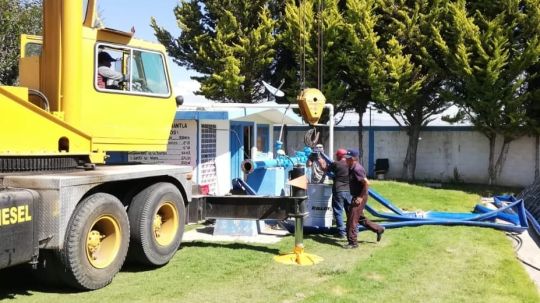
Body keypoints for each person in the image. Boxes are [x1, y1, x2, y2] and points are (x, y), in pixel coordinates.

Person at [343, 149, 384, 249]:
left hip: (359, 197)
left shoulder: (357, 169)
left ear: (353, 159)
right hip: (356, 196)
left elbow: (366, 183)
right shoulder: (351, 167)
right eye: (346, 158)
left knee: (352, 219)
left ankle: (353, 243)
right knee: (360, 219)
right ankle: (378, 229)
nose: (346, 160)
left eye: (348, 159)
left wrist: (360, 198)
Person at [328, 148, 351, 238]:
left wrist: (319, 159)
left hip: (338, 190)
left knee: (338, 211)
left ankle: (341, 232)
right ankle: (353, 231)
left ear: (339, 155)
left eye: (336, 155)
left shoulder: (336, 164)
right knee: (350, 212)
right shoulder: (350, 164)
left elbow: (325, 169)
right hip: (349, 190)